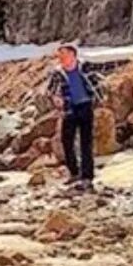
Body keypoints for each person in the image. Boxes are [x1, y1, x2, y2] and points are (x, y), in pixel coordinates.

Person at [48, 44, 99, 188]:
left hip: (85, 106)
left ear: (72, 54)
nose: (60, 57)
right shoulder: (57, 73)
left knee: (86, 142)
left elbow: (98, 78)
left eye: (63, 54)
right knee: (67, 141)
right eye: (59, 55)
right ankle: (74, 172)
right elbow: (50, 91)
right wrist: (55, 99)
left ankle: (87, 176)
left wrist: (97, 96)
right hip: (69, 109)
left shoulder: (85, 67)